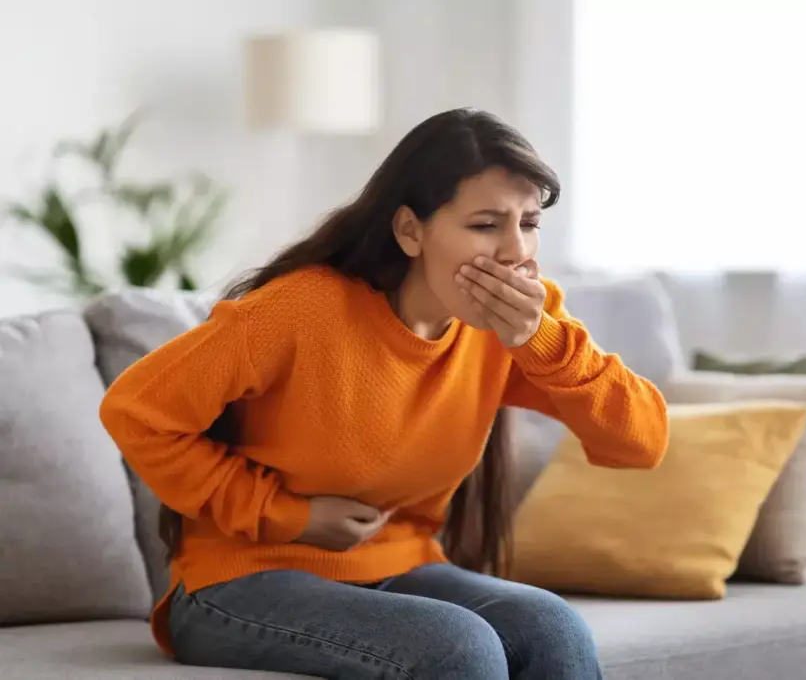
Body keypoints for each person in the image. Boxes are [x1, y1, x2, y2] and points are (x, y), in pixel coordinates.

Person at [100, 107, 669, 680]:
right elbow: (136, 412)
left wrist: (541, 340)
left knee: (552, 625)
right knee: (456, 645)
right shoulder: (302, 309)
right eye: (485, 224)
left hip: (394, 563)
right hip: (236, 582)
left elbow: (640, 442)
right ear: (410, 231)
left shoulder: (515, 327)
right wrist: (285, 516)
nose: (516, 251)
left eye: (529, 222)